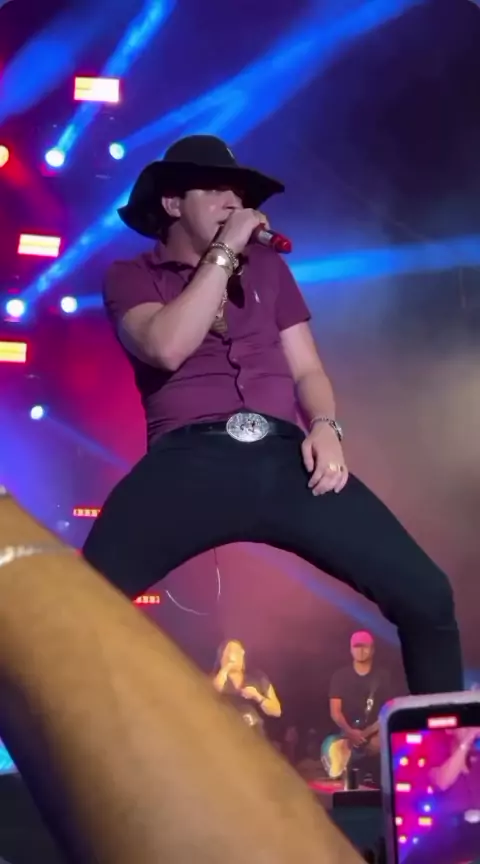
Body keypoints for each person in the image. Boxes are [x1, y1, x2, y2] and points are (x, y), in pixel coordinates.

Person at [82, 133, 463, 698]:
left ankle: (446, 746)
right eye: (215, 189)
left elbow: (307, 370)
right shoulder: (131, 275)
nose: (233, 202)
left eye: (238, 193)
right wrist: (224, 252)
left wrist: (326, 426)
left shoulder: (268, 270)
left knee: (427, 595)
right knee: (77, 604)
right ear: (172, 203)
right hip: (188, 462)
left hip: (285, 460)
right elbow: (165, 346)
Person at [0, 488, 365, 864]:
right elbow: (203, 703)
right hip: (220, 756)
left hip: (258, 750)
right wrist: (224, 677)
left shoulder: (257, 677)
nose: (236, 657)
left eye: (239, 653)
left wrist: (255, 695)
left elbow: (276, 710)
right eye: (231, 653)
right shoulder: (213, 677)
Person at [404, 725, 480, 863]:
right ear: (449, 730)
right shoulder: (437, 758)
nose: (472, 730)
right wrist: (466, 742)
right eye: (465, 726)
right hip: (449, 836)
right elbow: (442, 782)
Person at [323, 631, 390, 780]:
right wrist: (350, 732)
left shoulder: (383, 677)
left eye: (364, 646)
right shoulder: (340, 676)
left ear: (372, 649)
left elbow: (389, 710)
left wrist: (370, 733)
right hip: (345, 736)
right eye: (356, 646)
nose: (360, 650)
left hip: (373, 735)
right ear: (350, 649)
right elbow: (335, 712)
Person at [212, 638, 281, 732]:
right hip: (226, 730)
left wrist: (257, 697)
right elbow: (213, 691)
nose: (235, 655)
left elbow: (277, 710)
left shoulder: (258, 677)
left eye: (238, 651)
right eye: (230, 651)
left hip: (253, 734)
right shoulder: (220, 678)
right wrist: (226, 668)